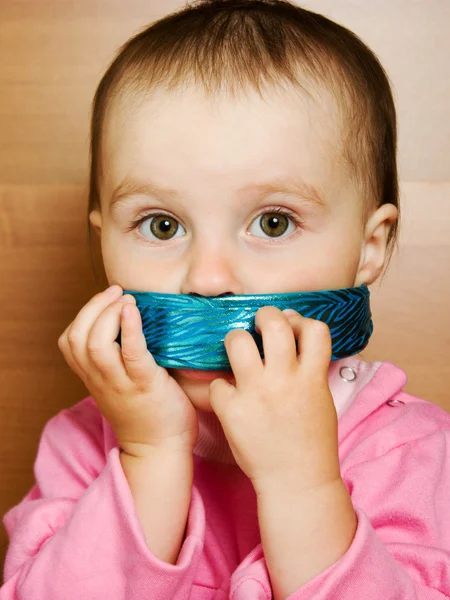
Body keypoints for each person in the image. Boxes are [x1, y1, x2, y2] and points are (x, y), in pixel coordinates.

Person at [2, 1, 449, 598]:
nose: (208, 280)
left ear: (369, 248)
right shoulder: (82, 444)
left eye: (271, 222)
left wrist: (303, 482)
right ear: (103, 236)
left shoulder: (411, 453)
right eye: (161, 226)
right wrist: (149, 453)